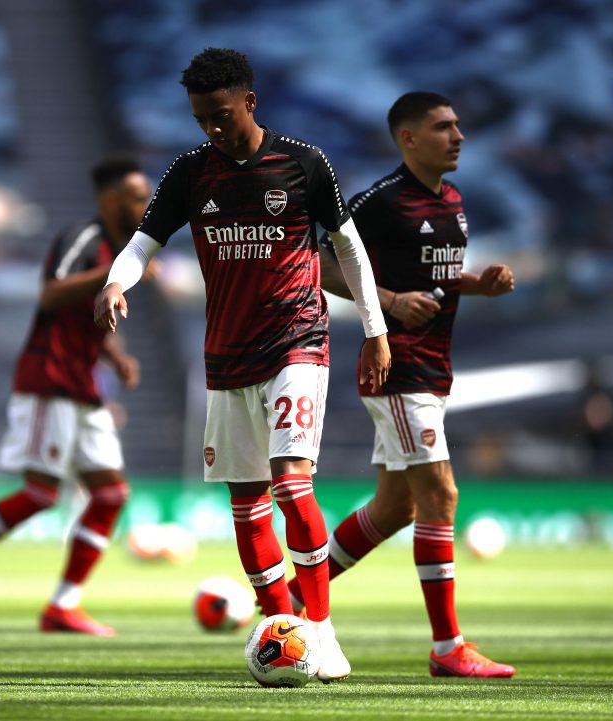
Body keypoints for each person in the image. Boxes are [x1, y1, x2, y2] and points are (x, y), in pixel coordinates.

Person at [94, 48, 391, 683]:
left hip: (297, 341)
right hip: (226, 357)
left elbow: (351, 252)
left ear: (249, 103)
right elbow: (142, 245)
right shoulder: (188, 174)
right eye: (201, 118)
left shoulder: (305, 164)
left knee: (291, 484)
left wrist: (376, 330)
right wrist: (117, 283)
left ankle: (320, 628)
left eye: (221, 115)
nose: (213, 129)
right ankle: (283, 625)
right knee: (247, 505)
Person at [286, 91, 517, 678]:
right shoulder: (382, 201)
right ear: (408, 139)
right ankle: (447, 648)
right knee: (441, 496)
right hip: (397, 366)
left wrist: (475, 286)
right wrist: (387, 302)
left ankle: (291, 600)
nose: (458, 135)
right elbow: (322, 259)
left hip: (435, 366)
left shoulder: (454, 201)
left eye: (459, 125)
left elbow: (432, 280)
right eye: (443, 127)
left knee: (396, 507)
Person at [0, 155, 153, 635]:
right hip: (50, 378)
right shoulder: (84, 238)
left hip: (82, 383)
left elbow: (90, 316)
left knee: (110, 494)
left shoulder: (115, 249)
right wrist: (110, 276)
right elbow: (50, 295)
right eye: (137, 197)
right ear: (111, 199)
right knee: (41, 493)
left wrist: (115, 357)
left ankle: (63, 604)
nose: (145, 206)